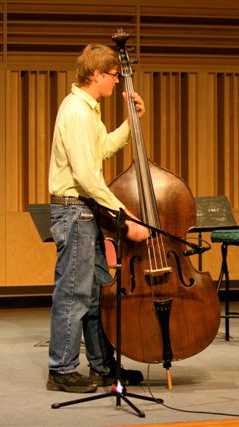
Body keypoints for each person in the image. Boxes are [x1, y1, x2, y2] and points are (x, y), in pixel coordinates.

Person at [47, 43, 150, 393]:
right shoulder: (76, 111)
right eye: (113, 76)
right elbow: (88, 177)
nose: (118, 82)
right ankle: (61, 370)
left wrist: (129, 123)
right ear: (96, 75)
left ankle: (102, 367)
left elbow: (102, 149)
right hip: (75, 211)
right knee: (73, 295)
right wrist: (125, 216)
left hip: (84, 211)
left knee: (93, 295)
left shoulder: (89, 110)